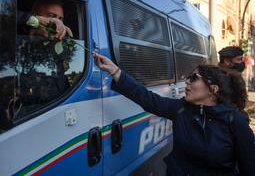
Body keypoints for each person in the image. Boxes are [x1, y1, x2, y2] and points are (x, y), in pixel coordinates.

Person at [93, 52, 255, 176]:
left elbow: (249, 167)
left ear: (213, 89)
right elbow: (147, 99)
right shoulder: (181, 109)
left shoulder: (235, 120)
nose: (187, 82)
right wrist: (115, 71)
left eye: (194, 78)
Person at [218, 46, 248, 112]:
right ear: (227, 61)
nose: (242, 62)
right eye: (239, 59)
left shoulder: (235, 74)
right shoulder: (221, 78)